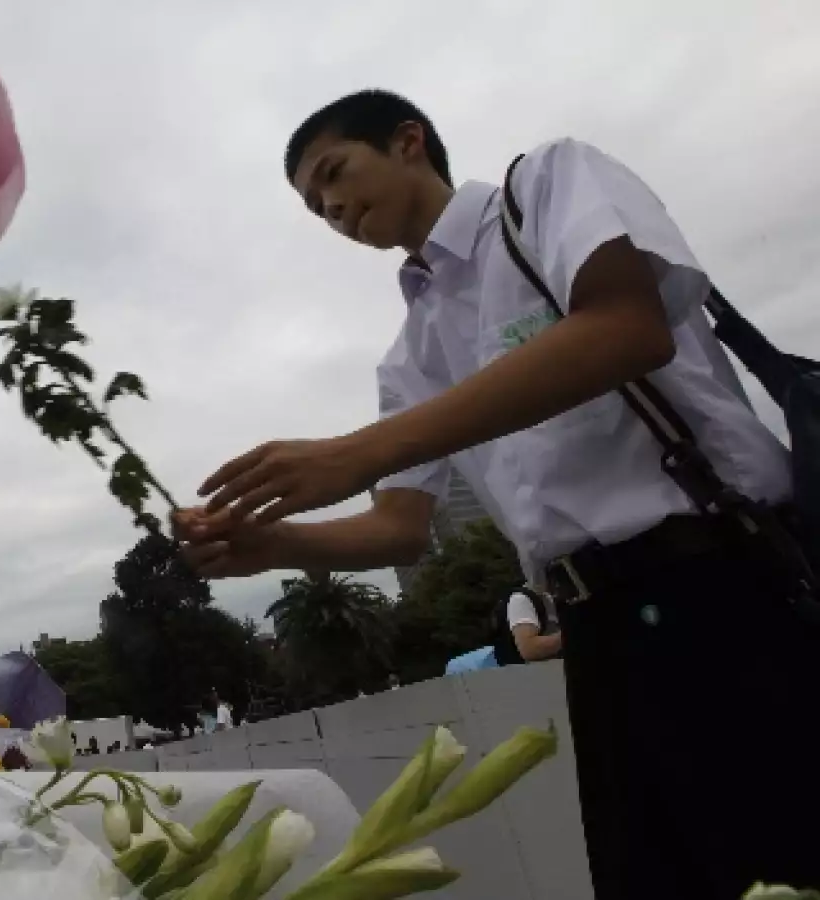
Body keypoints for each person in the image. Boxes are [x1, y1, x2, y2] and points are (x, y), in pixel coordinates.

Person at [174, 89, 820, 899]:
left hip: (719, 588)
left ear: (409, 141)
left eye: (334, 175)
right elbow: (402, 528)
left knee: (783, 858)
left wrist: (360, 450)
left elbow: (626, 325)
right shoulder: (410, 353)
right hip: (592, 628)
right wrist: (278, 546)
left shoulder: (545, 188)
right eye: (315, 207)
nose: (333, 208)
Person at [493, 583, 562, 665]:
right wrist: (573, 636)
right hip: (528, 673)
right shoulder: (521, 599)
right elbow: (529, 648)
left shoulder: (557, 598)